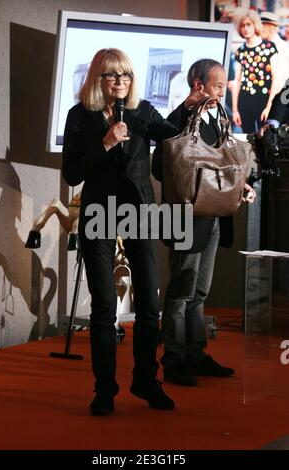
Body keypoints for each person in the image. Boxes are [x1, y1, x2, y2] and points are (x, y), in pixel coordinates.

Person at [62, 48, 178, 415]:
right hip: (99, 209)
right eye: (113, 75)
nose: (120, 82)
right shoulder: (79, 116)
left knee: (149, 302)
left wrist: (190, 107)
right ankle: (105, 389)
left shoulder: (143, 111)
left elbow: (173, 135)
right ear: (99, 78)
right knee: (104, 306)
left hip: (140, 209)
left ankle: (146, 380)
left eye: (126, 75)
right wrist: (107, 142)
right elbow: (72, 174)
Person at [152, 58, 256, 386]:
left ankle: (195, 354)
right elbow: (161, 167)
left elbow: (221, 167)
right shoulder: (180, 119)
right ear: (198, 85)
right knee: (181, 292)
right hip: (185, 217)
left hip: (212, 219)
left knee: (199, 291)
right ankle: (174, 360)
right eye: (218, 85)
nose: (223, 92)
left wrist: (242, 186)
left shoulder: (219, 122)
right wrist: (185, 109)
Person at [232, 9, 279, 133]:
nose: (246, 28)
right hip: (245, 101)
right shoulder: (240, 51)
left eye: (249, 24)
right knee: (248, 140)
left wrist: (269, 106)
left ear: (255, 25)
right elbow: (237, 81)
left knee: (266, 139)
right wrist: (235, 110)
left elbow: (276, 79)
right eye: (242, 25)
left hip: (265, 100)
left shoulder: (269, 47)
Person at [261, 11, 289, 94]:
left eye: (263, 26)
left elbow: (280, 77)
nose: (259, 29)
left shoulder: (280, 46)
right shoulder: (264, 44)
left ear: (271, 27)